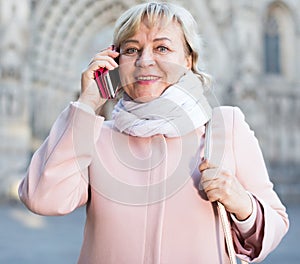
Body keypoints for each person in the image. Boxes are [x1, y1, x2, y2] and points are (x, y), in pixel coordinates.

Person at [19, 2, 289, 263]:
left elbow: (275, 225)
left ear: (188, 60)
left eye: (162, 48)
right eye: (131, 50)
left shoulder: (226, 126)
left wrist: (243, 205)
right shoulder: (96, 137)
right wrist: (87, 103)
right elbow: (43, 198)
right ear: (115, 62)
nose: (144, 61)